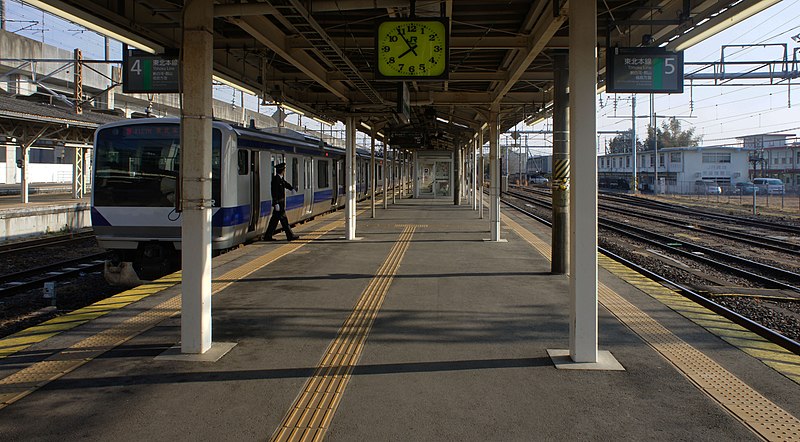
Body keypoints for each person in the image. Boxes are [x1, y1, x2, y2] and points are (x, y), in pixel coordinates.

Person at [264, 163, 300, 241]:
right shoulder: (275, 180)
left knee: (274, 221)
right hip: (279, 204)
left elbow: (285, 184)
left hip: (280, 203)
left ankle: (268, 236)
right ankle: (290, 236)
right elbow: (274, 192)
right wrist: (275, 203)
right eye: (284, 170)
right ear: (282, 170)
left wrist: (291, 188)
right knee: (284, 220)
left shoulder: (280, 179)